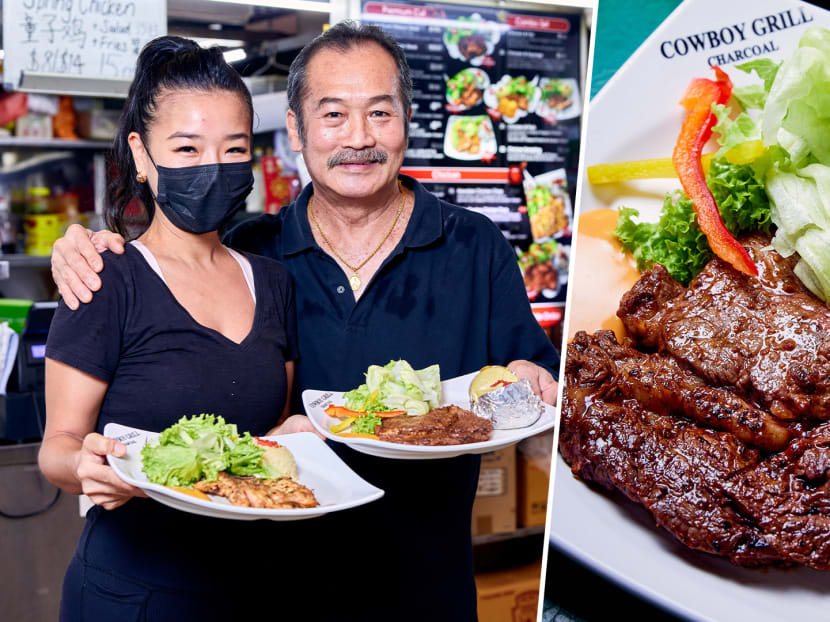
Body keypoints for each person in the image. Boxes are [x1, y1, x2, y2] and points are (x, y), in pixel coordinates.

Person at [50, 22, 559, 622]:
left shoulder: (475, 246)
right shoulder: (255, 251)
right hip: (267, 593)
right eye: (333, 114)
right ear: (295, 130)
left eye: (380, 113)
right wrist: (85, 246)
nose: (359, 138)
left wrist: (540, 397)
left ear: (407, 120)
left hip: (427, 590)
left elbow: (535, 423)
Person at [39, 37, 318, 621]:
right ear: (141, 155)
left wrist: (291, 432)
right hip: (132, 594)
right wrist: (85, 467)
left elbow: (260, 436)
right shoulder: (105, 277)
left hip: (252, 588)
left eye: (233, 148)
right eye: (187, 149)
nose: (213, 168)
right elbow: (58, 448)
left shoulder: (273, 283)